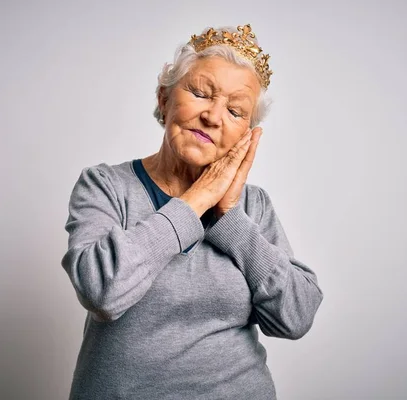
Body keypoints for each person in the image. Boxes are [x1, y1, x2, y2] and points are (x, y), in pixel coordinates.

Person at [60, 24, 324, 400]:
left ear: (246, 134)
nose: (213, 117)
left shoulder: (253, 205)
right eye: (200, 93)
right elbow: (103, 292)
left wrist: (230, 217)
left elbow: (296, 316)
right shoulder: (105, 186)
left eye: (235, 111)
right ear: (164, 98)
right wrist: (196, 200)